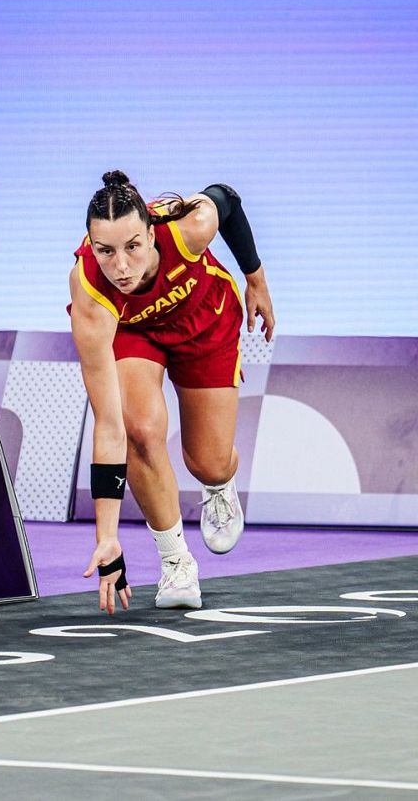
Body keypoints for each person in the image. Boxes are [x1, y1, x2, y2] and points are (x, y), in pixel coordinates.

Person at [70, 171, 274, 613]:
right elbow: (108, 427)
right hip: (134, 332)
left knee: (208, 461)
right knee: (138, 427)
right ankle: (176, 561)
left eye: (132, 247)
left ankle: (220, 484)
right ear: (90, 244)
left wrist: (254, 277)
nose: (121, 267)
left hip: (205, 319)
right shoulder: (90, 293)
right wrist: (107, 537)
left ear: (150, 232)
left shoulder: (188, 229)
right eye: (105, 251)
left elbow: (229, 199)